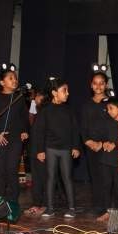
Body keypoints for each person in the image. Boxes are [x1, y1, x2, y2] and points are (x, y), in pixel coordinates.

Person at [36, 77, 80, 218]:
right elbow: (40, 131)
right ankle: (49, 208)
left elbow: (75, 130)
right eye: (64, 90)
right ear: (55, 93)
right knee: (50, 178)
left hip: (66, 149)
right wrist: (40, 150)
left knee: (67, 177)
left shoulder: (69, 110)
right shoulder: (46, 111)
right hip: (51, 149)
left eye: (67, 90)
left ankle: (72, 208)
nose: (67, 93)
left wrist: (75, 146)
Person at [0, 64, 29, 205]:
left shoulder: (19, 97)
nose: (14, 80)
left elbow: (24, 118)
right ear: (2, 82)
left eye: (15, 78)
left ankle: (12, 200)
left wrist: (25, 130)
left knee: (11, 168)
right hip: (0, 139)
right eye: (10, 78)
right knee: (0, 169)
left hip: (15, 139)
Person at [80, 70, 112, 221]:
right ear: (91, 85)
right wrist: (89, 142)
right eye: (95, 83)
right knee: (96, 177)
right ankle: (99, 206)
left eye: (101, 83)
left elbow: (114, 124)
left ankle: (108, 207)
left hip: (107, 147)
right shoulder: (86, 105)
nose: (98, 86)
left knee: (107, 178)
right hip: (92, 147)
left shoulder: (111, 103)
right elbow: (83, 127)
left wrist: (104, 143)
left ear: (106, 85)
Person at [95, 96, 118, 221]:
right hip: (106, 160)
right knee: (106, 186)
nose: (109, 111)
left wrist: (115, 144)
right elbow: (100, 136)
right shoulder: (107, 122)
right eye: (107, 109)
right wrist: (104, 142)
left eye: (111, 108)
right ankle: (107, 211)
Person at [24, 90, 48, 217]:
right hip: (33, 149)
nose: (34, 98)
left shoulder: (46, 112)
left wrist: (41, 150)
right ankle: (36, 203)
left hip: (43, 149)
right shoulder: (34, 110)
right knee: (36, 178)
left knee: (43, 177)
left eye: (38, 96)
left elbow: (44, 133)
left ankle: (45, 204)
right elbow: (29, 123)